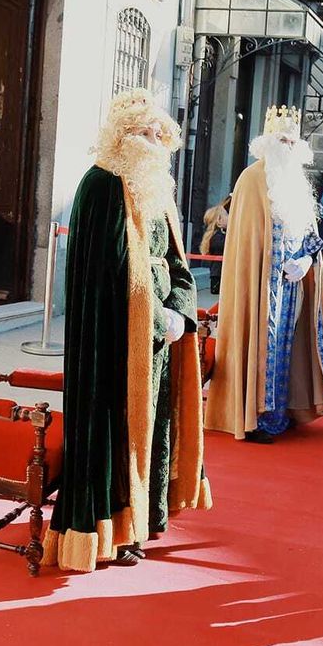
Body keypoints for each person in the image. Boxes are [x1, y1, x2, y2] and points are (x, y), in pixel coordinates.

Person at [46, 89, 209, 570]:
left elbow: (176, 262)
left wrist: (179, 312)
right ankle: (110, 529)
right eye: (142, 131)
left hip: (158, 336)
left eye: (158, 132)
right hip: (113, 342)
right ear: (119, 136)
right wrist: (159, 319)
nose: (152, 139)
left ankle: (143, 520)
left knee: (154, 429)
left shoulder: (154, 186)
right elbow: (110, 275)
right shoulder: (99, 185)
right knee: (118, 433)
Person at [205, 106, 323, 441]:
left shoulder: (298, 182)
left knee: (287, 348)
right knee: (263, 346)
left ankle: (283, 411)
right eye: (281, 139)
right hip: (261, 285)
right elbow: (247, 241)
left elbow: (312, 237)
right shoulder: (251, 179)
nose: (287, 145)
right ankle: (257, 417)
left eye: (292, 140)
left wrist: (306, 263)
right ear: (267, 141)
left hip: (292, 285)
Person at [200, 193, 232, 294]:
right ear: (219, 220)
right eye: (226, 215)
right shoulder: (217, 237)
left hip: (220, 273)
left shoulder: (217, 235)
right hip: (218, 274)